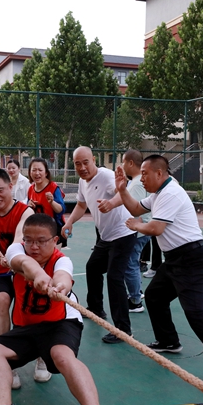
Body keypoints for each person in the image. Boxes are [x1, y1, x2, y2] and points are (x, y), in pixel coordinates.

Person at [0, 213, 113, 405]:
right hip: (27, 327)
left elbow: (64, 276)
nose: (33, 246)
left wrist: (60, 285)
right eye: (29, 240)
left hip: (60, 323)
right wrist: (39, 275)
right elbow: (24, 263)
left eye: (41, 241)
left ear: (55, 241)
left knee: (62, 355)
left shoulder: (62, 261)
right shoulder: (16, 250)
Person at [115, 154, 203, 388]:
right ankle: (168, 341)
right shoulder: (158, 193)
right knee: (154, 297)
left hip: (192, 259)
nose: (142, 178)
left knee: (195, 312)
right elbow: (135, 207)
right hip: (175, 260)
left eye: (145, 174)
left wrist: (137, 225)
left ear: (159, 173)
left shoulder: (170, 193)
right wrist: (122, 189)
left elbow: (156, 228)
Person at [0, 169, 51, 388]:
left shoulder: (25, 211)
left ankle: (42, 356)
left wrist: (11, 256)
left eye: (0, 190)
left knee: (36, 305)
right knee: (0, 300)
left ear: (11, 186)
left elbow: (20, 238)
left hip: (22, 267)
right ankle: (9, 364)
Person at [62, 147, 135, 344]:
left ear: (93, 160)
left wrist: (111, 203)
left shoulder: (106, 175)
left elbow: (122, 193)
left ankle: (123, 330)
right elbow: (81, 205)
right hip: (107, 236)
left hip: (124, 233)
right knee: (93, 268)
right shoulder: (82, 181)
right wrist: (69, 222)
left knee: (114, 277)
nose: (82, 167)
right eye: (78, 164)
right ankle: (96, 309)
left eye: (86, 162)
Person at [120, 149, 151, 313]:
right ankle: (136, 293)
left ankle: (135, 301)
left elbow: (137, 208)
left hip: (137, 231)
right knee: (132, 263)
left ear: (131, 163)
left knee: (130, 264)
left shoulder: (138, 183)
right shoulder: (136, 181)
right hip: (138, 230)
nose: (122, 165)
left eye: (123, 162)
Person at [27, 157, 67, 247]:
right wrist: (28, 206)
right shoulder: (30, 189)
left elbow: (61, 210)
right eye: (34, 170)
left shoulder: (53, 188)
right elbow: (28, 210)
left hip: (54, 229)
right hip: (37, 229)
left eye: (40, 170)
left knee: (53, 255)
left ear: (46, 173)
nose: (37, 173)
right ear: (30, 172)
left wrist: (52, 202)